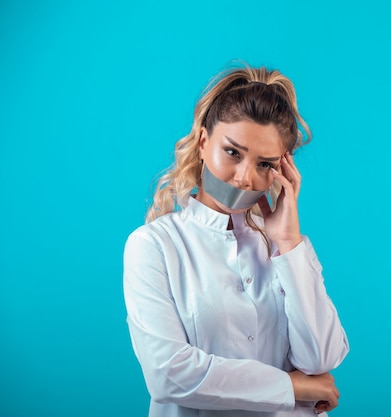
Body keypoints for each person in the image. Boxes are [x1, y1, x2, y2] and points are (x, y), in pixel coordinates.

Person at [123, 63, 349, 417]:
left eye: (265, 164)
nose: (245, 177)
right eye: (233, 152)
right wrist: (291, 387)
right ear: (202, 142)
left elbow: (321, 358)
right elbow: (168, 374)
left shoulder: (288, 248)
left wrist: (288, 244)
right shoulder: (154, 245)